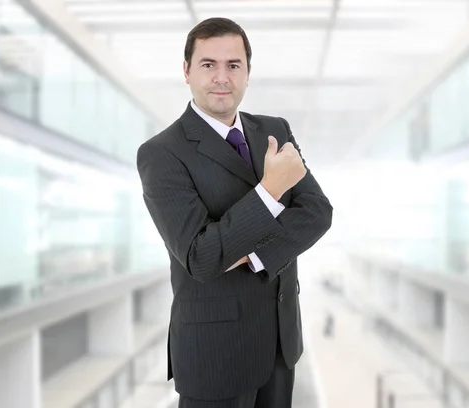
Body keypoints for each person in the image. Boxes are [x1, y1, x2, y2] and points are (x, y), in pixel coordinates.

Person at [136, 17, 333, 408]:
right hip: (216, 357)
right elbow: (202, 257)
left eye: (233, 65)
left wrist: (256, 257)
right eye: (208, 65)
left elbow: (317, 211)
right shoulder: (162, 154)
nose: (221, 77)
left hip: (279, 344)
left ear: (247, 72)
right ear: (187, 71)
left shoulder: (275, 130)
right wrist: (270, 190)